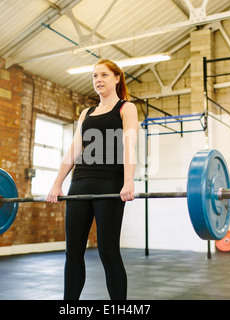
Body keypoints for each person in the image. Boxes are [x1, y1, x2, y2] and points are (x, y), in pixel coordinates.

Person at [47, 59, 138, 300]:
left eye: (104, 75)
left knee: (108, 252)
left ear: (117, 78)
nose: (98, 79)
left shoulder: (126, 108)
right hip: (80, 183)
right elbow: (74, 149)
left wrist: (129, 180)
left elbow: (130, 146)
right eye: (95, 76)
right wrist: (58, 182)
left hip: (109, 184)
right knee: (72, 252)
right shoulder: (86, 113)